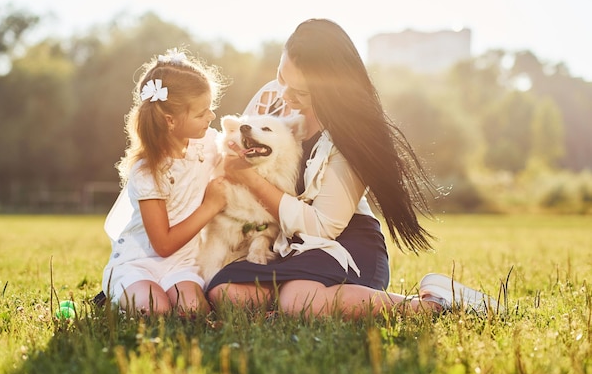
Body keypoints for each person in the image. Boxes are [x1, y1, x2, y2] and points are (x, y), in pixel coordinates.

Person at [206, 19, 497, 318]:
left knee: (299, 300)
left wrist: (250, 180)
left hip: (342, 243)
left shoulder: (351, 138)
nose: (284, 96)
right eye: (281, 76)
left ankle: (434, 305)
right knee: (225, 291)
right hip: (285, 244)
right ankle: (294, 302)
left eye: (300, 92)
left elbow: (323, 226)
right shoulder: (272, 100)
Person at [100, 47, 228, 315]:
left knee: (192, 310)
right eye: (202, 112)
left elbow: (235, 154)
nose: (211, 116)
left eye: (211, 108)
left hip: (182, 264)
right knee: (156, 309)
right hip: (139, 263)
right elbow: (163, 244)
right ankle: (117, 293)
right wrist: (210, 206)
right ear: (170, 121)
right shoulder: (147, 171)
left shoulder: (206, 144)